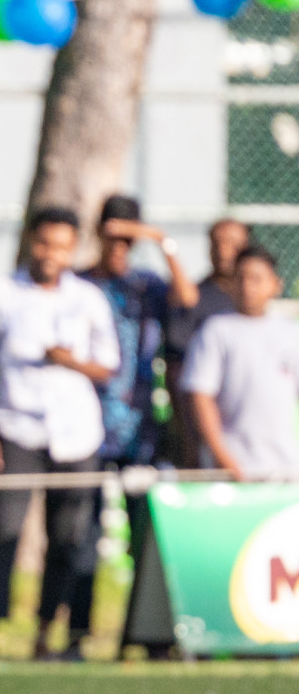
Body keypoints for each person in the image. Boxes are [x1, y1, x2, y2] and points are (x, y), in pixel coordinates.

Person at [0, 208, 120, 661]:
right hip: (16, 428)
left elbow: (108, 367)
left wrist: (69, 361)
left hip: (76, 434)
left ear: (73, 249)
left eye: (61, 245)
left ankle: (47, 634)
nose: (51, 254)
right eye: (44, 243)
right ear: (30, 243)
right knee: (5, 532)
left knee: (70, 537)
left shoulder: (88, 298)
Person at [67, 196, 194, 659]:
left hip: (141, 430)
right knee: (82, 535)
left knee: (145, 535)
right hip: (84, 427)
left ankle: (147, 635)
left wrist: (162, 241)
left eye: (128, 237)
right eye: (113, 235)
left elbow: (186, 300)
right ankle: (78, 634)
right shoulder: (79, 283)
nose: (119, 245)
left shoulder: (147, 284)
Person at [182, 245, 299, 481]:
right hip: (235, 468)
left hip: (286, 468)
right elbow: (200, 396)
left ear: (276, 284)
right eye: (241, 278)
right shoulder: (216, 330)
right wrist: (224, 459)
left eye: (257, 279)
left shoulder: (291, 332)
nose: (248, 287)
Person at [164, 219, 249, 468]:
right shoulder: (194, 299)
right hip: (204, 430)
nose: (223, 251)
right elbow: (176, 368)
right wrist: (188, 433)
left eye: (232, 243)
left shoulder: (251, 307)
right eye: (217, 243)